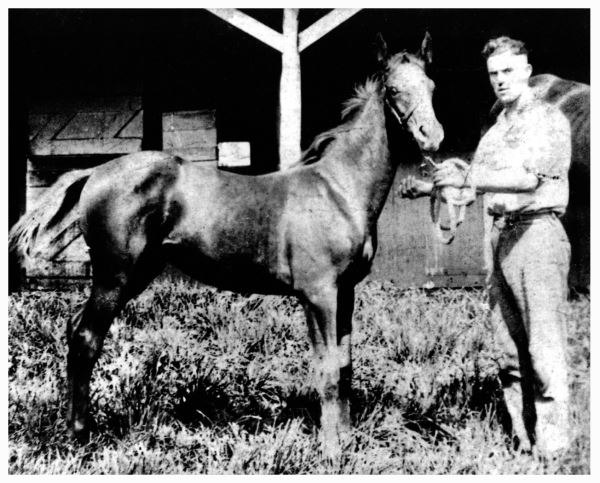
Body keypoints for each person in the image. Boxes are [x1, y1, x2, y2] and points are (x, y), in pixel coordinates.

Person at [400, 36, 572, 456]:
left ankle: (552, 449)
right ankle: (521, 440)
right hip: (500, 235)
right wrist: (431, 187)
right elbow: (474, 185)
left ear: (528, 70)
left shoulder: (547, 119)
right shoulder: (496, 130)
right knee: (508, 349)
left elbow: (527, 180)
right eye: (494, 73)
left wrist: (467, 179)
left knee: (543, 346)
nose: (500, 80)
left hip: (537, 234)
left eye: (509, 71)